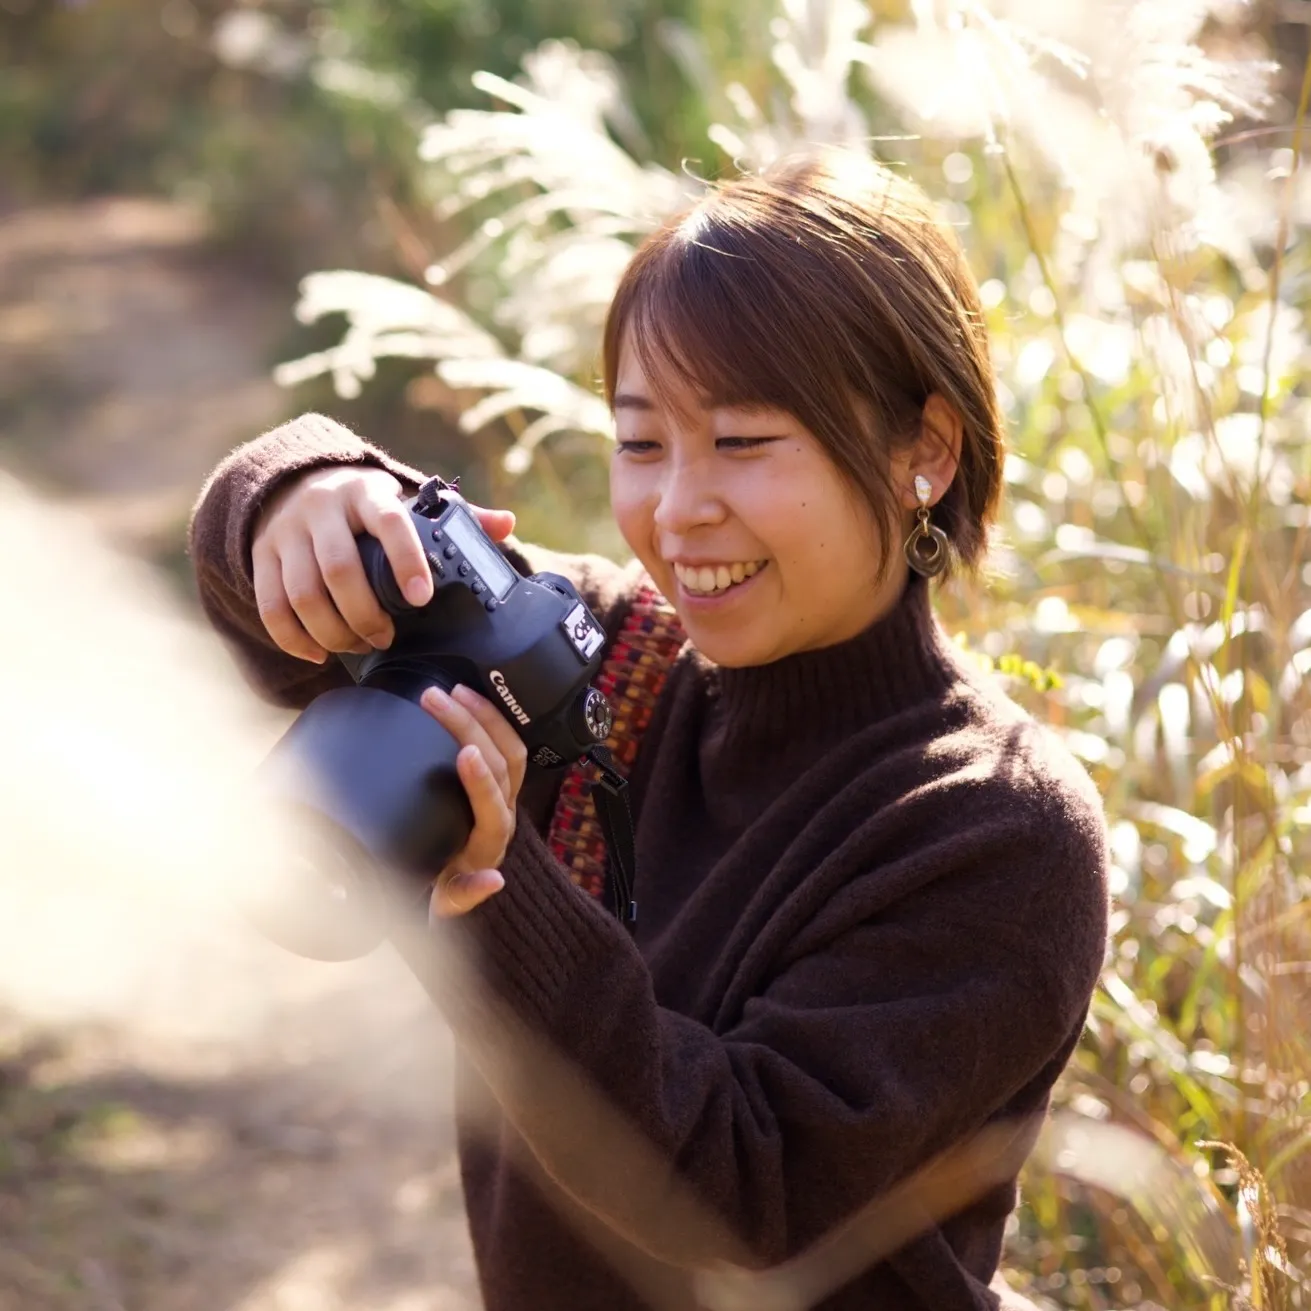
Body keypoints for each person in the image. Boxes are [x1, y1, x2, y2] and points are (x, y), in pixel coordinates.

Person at [188, 148, 1108, 1310]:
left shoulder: (994, 825)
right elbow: (287, 634)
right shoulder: (591, 655)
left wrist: (497, 887)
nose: (676, 512)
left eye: (743, 442)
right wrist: (299, 491)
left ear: (923, 451)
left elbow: (744, 1190)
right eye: (640, 443)